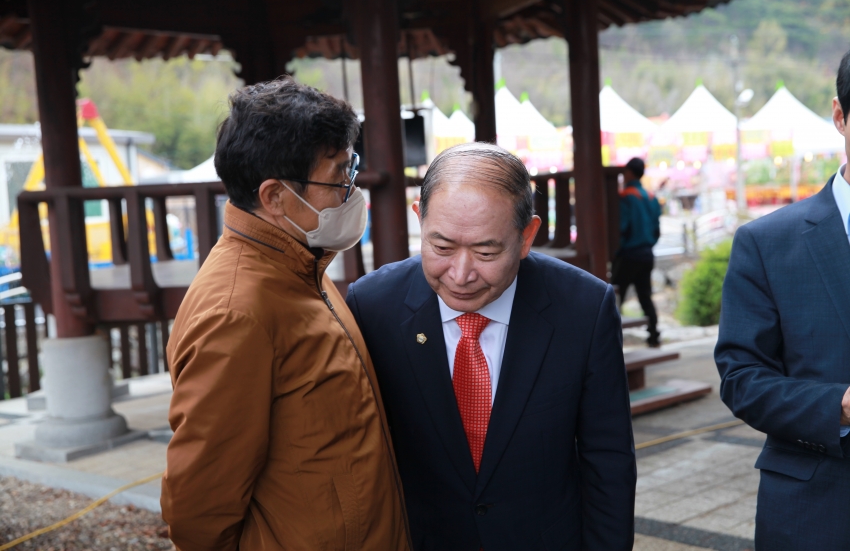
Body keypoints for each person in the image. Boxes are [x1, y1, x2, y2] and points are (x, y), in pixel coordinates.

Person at [346, 143, 636, 550]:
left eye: (486, 251)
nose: (461, 274)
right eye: (441, 247)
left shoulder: (584, 308)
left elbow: (608, 460)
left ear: (526, 236)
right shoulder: (373, 305)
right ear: (419, 218)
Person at [161, 78, 410, 551]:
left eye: (349, 170)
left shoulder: (301, 265)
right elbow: (199, 508)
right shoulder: (237, 313)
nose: (349, 192)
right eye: (338, 177)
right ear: (275, 197)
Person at [715, 50, 850, 550]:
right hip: (818, 509)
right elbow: (742, 378)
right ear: (839, 116)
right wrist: (839, 405)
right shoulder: (767, 243)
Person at [612, 157, 662, 347]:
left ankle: (610, 337)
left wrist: (617, 249)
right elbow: (657, 229)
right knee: (645, 295)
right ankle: (654, 335)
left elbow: (622, 227)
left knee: (614, 297)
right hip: (647, 253)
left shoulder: (625, 197)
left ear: (630, 173)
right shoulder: (651, 197)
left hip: (628, 254)